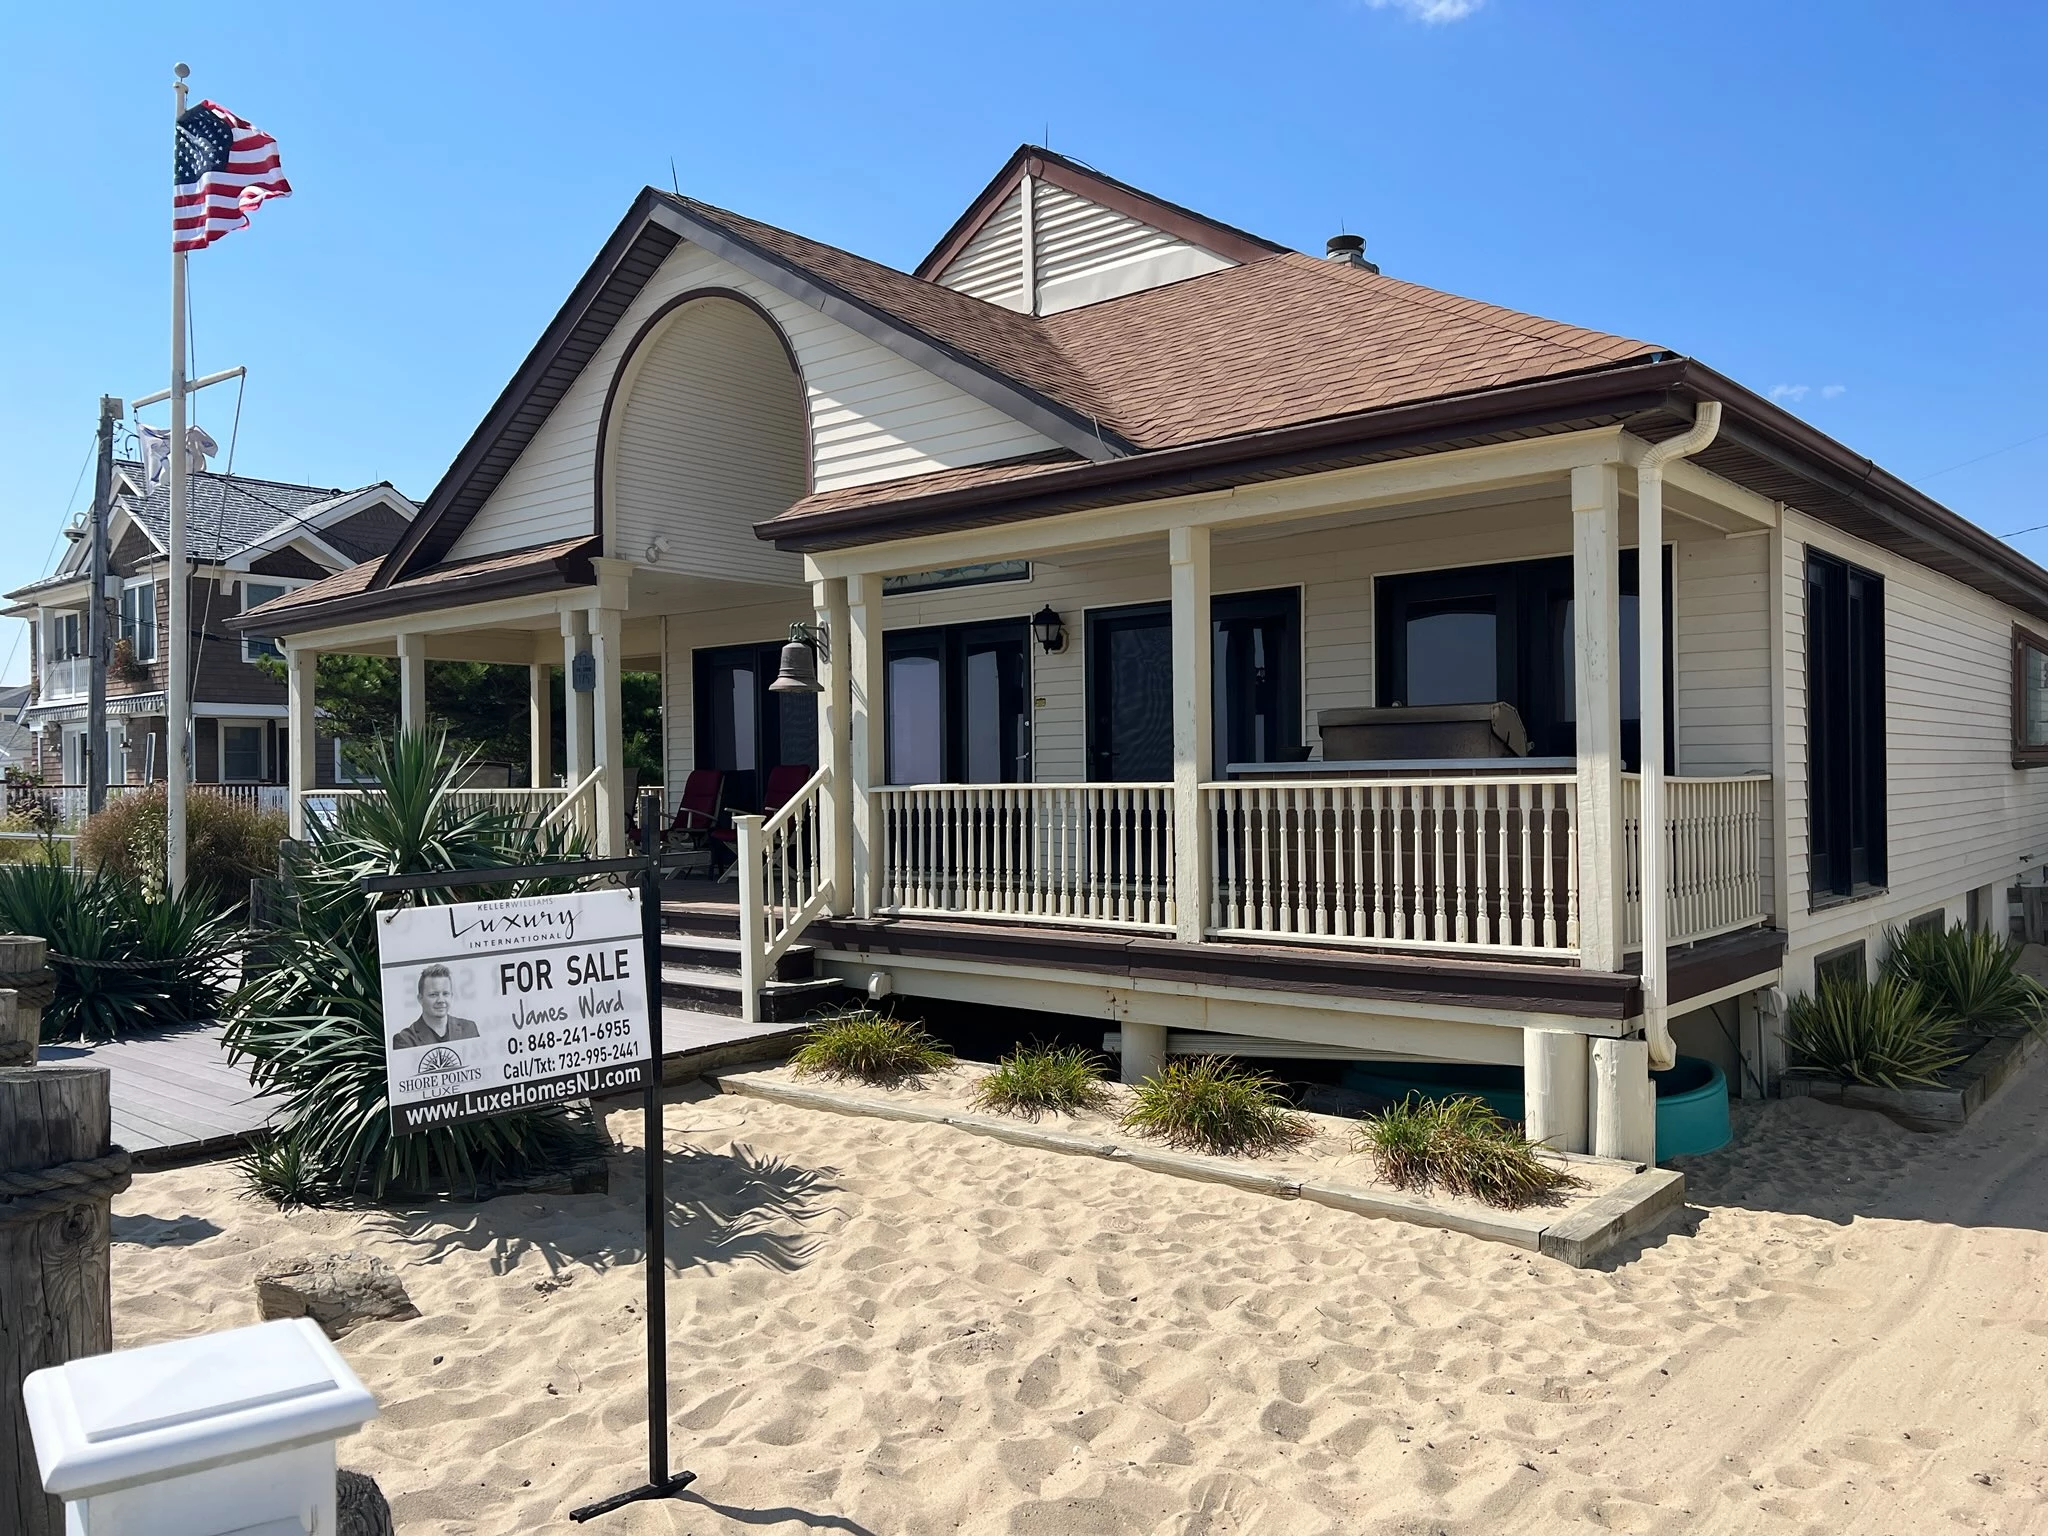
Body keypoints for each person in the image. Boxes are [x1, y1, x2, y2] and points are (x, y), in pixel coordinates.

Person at [390, 964, 480, 1050]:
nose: (441, 1000)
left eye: (445, 994)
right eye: (433, 994)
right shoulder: (406, 1040)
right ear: (420, 999)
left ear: (451, 996)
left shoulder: (469, 1029)